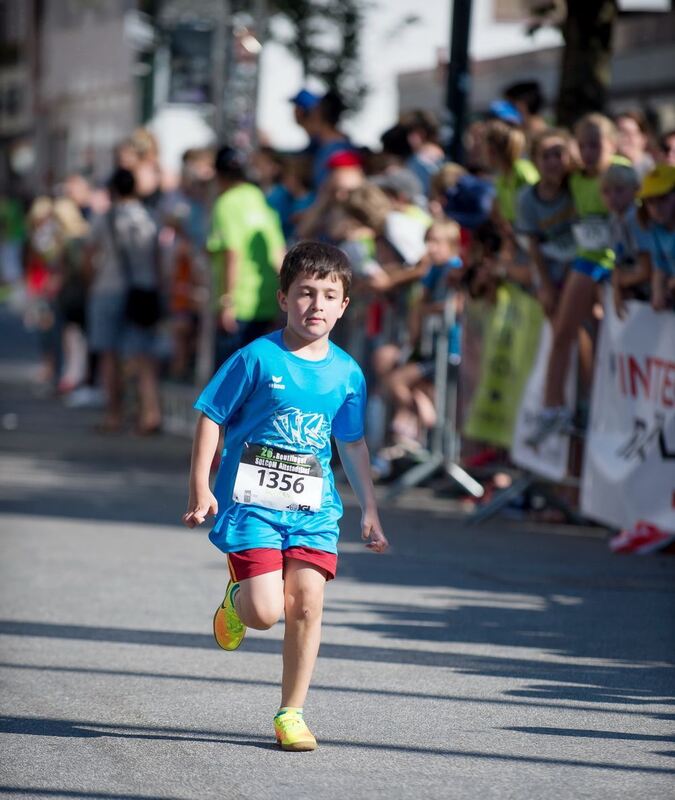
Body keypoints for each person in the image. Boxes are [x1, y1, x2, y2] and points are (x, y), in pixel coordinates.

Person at [183, 241, 388, 752]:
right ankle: (237, 598)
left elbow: (353, 441)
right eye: (305, 293)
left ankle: (291, 712)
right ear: (282, 298)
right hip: (252, 503)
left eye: (328, 295)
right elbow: (212, 415)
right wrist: (202, 486)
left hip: (313, 509)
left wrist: (370, 508)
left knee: (308, 603)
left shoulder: (347, 373)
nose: (315, 305)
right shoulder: (256, 357)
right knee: (264, 613)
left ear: (344, 306)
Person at [526, 113, 630, 446]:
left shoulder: (624, 171)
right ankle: (553, 407)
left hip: (621, 264)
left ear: (612, 145)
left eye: (595, 145)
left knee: (605, 337)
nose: (589, 152)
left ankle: (603, 404)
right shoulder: (576, 178)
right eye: (583, 145)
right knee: (564, 331)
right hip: (588, 260)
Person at [85, 167, 162, 433]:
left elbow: (88, 256)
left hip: (107, 289)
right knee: (143, 355)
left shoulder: (104, 219)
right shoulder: (149, 218)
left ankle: (114, 414)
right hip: (143, 290)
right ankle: (150, 413)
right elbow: (157, 258)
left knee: (109, 354)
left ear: (113, 190)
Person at [208, 146, 286, 368]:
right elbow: (278, 253)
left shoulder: (226, 203)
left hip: (239, 304)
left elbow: (233, 252)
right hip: (267, 303)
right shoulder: (260, 199)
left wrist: (227, 301)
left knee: (228, 386)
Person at [516, 128, 577, 318]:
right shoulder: (526, 198)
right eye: (545, 156)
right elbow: (533, 245)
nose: (552, 161)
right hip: (550, 269)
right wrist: (547, 287)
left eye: (558, 154)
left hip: (579, 266)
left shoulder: (577, 187)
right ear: (534, 161)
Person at [602, 163, 653, 317]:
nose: (612, 197)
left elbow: (647, 270)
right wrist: (617, 287)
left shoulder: (635, 219)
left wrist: (619, 283)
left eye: (619, 190)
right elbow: (618, 262)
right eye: (606, 192)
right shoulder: (614, 220)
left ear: (636, 190)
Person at [638, 164, 675, 311]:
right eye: (650, 201)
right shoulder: (656, 229)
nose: (656, 207)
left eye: (663, 198)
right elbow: (660, 266)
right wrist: (658, 292)